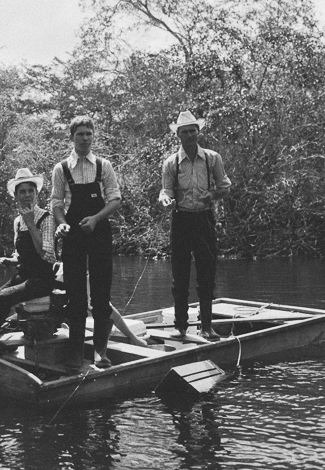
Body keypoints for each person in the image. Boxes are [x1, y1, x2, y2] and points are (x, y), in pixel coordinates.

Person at [52, 116, 147, 370]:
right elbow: (56, 204)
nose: (85, 138)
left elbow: (115, 199)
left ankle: (100, 352)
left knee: (102, 295)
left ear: (94, 136)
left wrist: (95, 219)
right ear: (72, 137)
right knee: (75, 297)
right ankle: (74, 353)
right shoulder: (61, 169)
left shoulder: (103, 166)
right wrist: (61, 223)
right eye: (80, 134)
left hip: (99, 232)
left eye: (89, 134)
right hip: (72, 236)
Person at [158, 110, 232, 340]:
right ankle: (180, 326)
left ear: (198, 132)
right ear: (178, 135)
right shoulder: (171, 162)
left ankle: (206, 326)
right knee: (179, 275)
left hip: (204, 220)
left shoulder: (212, 158)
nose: (189, 135)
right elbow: (165, 191)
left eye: (193, 131)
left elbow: (225, 187)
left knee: (206, 274)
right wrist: (166, 201)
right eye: (185, 132)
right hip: (181, 219)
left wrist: (212, 195)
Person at [0, 168, 57, 336]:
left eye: (30, 191)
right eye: (22, 192)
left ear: (36, 194)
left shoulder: (46, 218)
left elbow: (46, 255)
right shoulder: (18, 222)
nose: (27, 195)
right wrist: (8, 260)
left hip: (42, 280)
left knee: (4, 297)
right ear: (16, 196)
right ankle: (2, 333)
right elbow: (20, 255)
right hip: (23, 276)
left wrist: (31, 224)